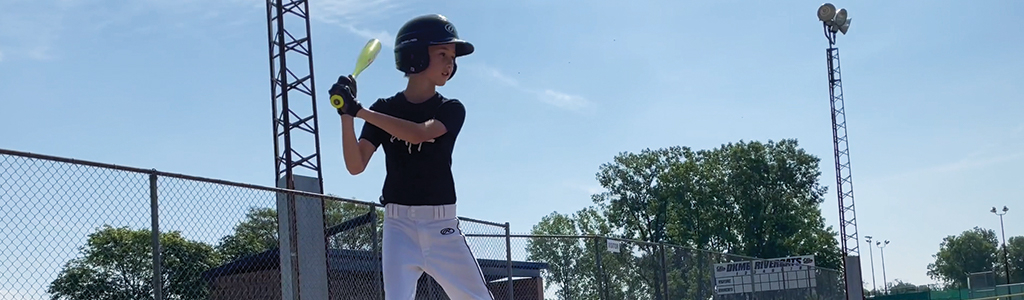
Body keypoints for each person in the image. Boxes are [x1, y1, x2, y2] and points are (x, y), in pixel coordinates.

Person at [329, 14, 494, 300]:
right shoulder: (384, 108)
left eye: (452, 57)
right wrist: (346, 115)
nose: (450, 63)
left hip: (441, 225)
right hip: (398, 226)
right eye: (442, 53)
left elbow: (419, 133)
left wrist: (359, 111)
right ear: (415, 56)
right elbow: (355, 165)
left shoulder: (451, 109)